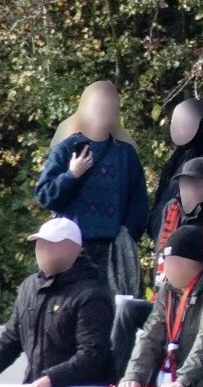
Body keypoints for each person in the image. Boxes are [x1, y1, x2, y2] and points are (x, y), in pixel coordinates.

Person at [0, 218, 115, 387]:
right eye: (41, 244)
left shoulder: (92, 295)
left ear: (74, 250)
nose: (43, 250)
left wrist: (51, 379)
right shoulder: (29, 286)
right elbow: (11, 340)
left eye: (51, 245)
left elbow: (93, 354)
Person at [35, 81, 148, 295]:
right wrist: (72, 175)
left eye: (109, 107)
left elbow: (138, 202)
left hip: (112, 251)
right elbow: (45, 194)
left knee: (111, 313)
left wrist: (127, 235)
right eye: (98, 106)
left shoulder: (126, 154)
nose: (104, 112)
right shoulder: (66, 149)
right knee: (71, 310)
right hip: (72, 248)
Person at [118, 226, 203, 387]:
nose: (167, 269)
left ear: (196, 264)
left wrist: (184, 379)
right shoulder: (167, 291)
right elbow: (151, 336)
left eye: (174, 263)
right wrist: (133, 376)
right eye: (166, 262)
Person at [147, 98, 203, 240]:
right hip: (167, 241)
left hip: (200, 243)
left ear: (202, 126)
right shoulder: (173, 163)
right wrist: (155, 226)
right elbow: (159, 204)